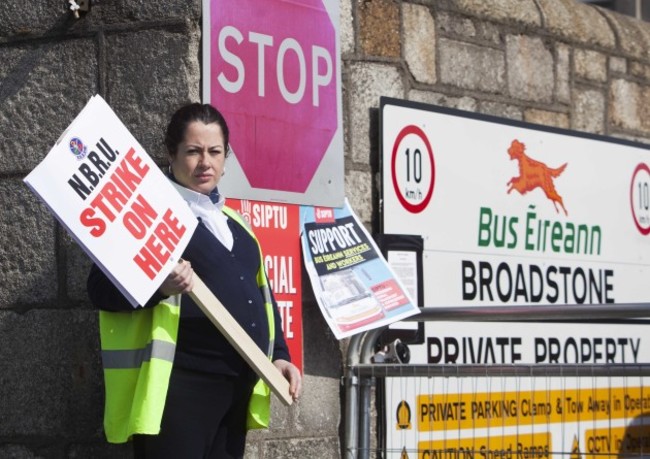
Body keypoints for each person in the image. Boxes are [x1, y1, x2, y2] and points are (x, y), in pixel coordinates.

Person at [87, 103, 302, 459]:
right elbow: (99, 290)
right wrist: (158, 287)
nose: (206, 162)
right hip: (181, 388)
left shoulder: (239, 226)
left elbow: (263, 301)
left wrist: (277, 355)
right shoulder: (145, 215)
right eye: (194, 151)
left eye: (215, 152)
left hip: (236, 388)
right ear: (171, 153)